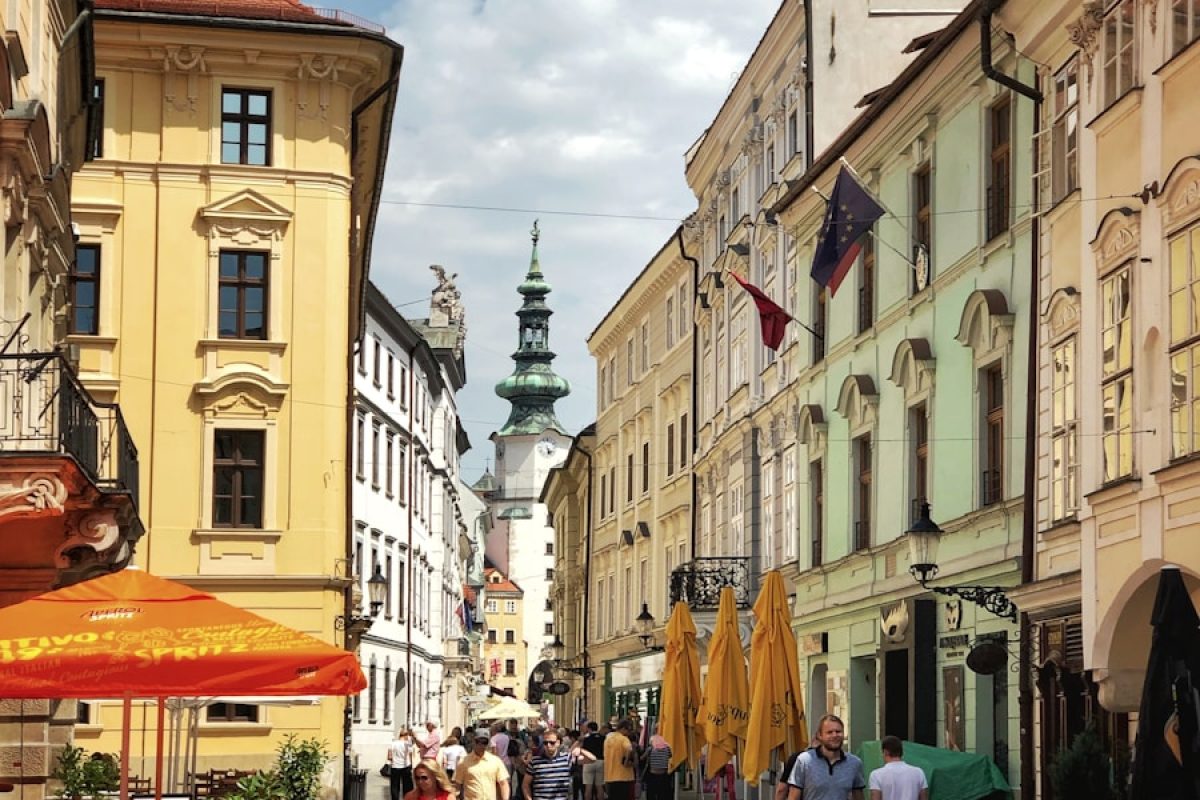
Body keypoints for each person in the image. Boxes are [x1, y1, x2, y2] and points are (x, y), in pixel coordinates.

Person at [786, 715, 865, 800]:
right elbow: (793, 797)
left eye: (838, 731)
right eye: (829, 732)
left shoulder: (854, 763)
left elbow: (858, 796)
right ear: (820, 735)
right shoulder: (804, 761)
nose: (834, 735)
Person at [455, 729, 511, 800]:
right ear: (473, 741)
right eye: (477, 741)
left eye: (484, 742)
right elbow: (457, 786)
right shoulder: (463, 762)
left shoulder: (495, 761)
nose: (481, 745)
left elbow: (504, 783)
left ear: (488, 743)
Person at [524, 730, 573, 800]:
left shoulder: (567, 758)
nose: (548, 745)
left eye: (552, 742)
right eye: (545, 743)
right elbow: (525, 784)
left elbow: (592, 759)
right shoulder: (534, 761)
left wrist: (579, 748)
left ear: (558, 743)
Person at [603, 720, 637, 800]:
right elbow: (629, 749)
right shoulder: (624, 739)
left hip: (609, 775)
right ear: (623, 729)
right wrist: (627, 761)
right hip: (623, 776)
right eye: (628, 730)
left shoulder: (608, 739)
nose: (629, 733)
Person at [579, 722, 606, 800]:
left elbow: (582, 750)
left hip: (589, 762)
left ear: (589, 729)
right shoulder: (603, 738)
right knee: (600, 786)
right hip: (600, 761)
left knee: (588, 787)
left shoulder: (586, 739)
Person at [389, 729, 418, 800]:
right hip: (406, 767)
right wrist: (411, 765)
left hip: (395, 766)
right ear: (406, 735)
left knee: (395, 786)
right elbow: (410, 755)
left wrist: (395, 760)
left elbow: (389, 757)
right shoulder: (407, 744)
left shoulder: (393, 743)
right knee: (407, 786)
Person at [643, 732, 673, 800]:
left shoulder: (650, 749)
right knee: (662, 795)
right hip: (663, 775)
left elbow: (642, 758)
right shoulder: (667, 748)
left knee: (651, 795)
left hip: (653, 775)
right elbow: (670, 756)